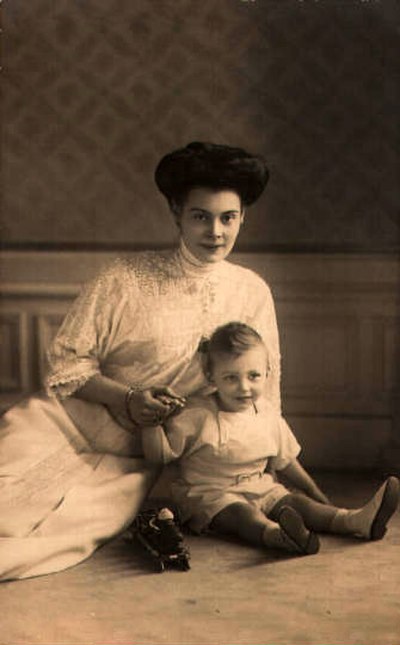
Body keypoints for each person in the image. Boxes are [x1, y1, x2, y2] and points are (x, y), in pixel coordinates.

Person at [0, 141, 282, 581]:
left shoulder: (251, 292)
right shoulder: (122, 277)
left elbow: (267, 384)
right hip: (62, 424)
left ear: (243, 216)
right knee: (6, 504)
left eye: (228, 218)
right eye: (200, 216)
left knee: (56, 533)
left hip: (135, 459)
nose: (215, 232)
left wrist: (257, 470)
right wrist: (127, 397)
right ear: (176, 213)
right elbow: (66, 367)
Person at [142, 322, 400, 555]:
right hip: (211, 494)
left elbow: (285, 461)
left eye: (253, 376)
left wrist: (315, 492)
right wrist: (151, 423)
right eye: (231, 378)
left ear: (267, 372)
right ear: (212, 377)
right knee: (242, 515)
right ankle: (277, 535)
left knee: (297, 503)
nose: (244, 387)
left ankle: (353, 520)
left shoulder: (266, 413)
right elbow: (160, 455)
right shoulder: (196, 414)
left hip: (260, 486)